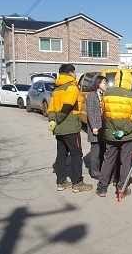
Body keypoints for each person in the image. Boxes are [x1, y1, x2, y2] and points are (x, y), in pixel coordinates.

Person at [96, 70, 132, 198]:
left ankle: (102, 188)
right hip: (127, 135)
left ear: (116, 80)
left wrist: (112, 130)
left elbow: (104, 114)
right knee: (125, 161)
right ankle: (122, 188)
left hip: (110, 134)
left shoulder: (107, 94)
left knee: (108, 159)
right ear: (130, 81)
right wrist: (124, 131)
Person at [48, 63, 92, 193]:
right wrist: (60, 118)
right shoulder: (72, 88)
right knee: (76, 154)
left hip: (59, 128)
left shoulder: (57, 89)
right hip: (71, 127)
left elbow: (50, 108)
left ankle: (61, 182)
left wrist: (53, 120)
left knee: (61, 154)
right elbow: (68, 105)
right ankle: (77, 183)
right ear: (71, 72)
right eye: (74, 72)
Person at [86, 75, 108, 179]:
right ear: (98, 84)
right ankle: (95, 172)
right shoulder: (92, 95)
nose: (106, 85)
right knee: (95, 151)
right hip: (95, 127)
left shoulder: (105, 95)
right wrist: (94, 127)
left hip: (104, 127)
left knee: (103, 150)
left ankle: (103, 170)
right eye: (104, 83)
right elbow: (90, 112)